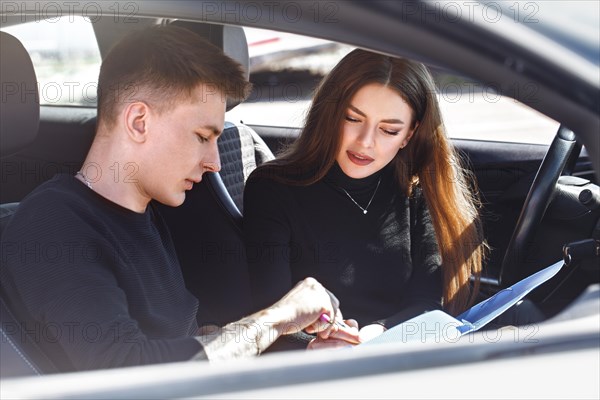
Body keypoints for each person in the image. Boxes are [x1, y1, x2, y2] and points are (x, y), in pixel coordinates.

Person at [0, 25, 359, 372]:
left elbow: (183, 340)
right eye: (203, 136)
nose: (214, 163)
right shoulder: (54, 227)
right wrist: (277, 318)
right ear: (139, 121)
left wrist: (297, 353)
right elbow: (124, 372)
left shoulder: (145, 214)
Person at [244, 49, 487, 347]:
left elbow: (426, 302)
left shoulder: (417, 189)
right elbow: (266, 316)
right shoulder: (272, 188)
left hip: (393, 354)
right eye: (352, 118)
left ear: (409, 135)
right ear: (329, 113)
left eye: (389, 130)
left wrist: (374, 334)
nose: (365, 142)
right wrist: (313, 346)